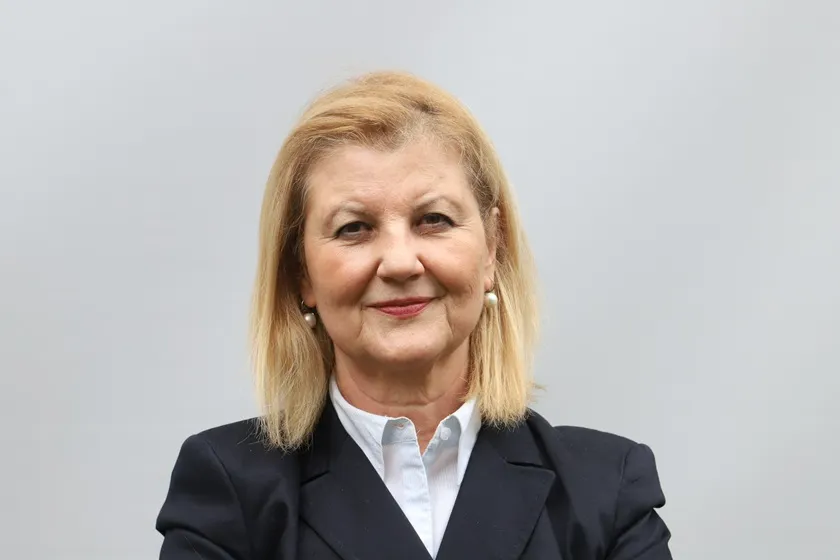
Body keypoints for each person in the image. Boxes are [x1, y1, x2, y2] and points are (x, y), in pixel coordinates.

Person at [156, 71, 672, 559]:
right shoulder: (230, 494)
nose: (401, 262)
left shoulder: (607, 493)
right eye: (354, 228)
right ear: (302, 273)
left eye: (433, 220)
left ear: (492, 248)